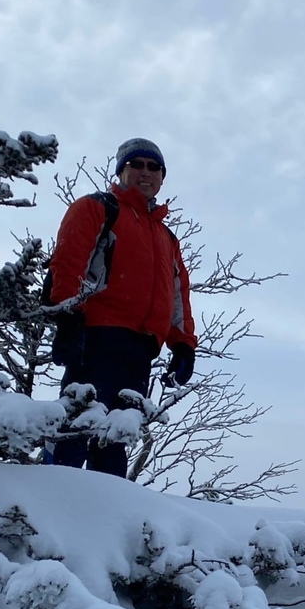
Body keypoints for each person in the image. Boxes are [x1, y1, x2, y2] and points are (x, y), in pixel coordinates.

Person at [47, 137, 197, 477]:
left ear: (162, 176)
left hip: (141, 350)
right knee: (77, 427)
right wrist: (68, 317)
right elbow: (69, 262)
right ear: (121, 170)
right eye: (136, 164)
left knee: (117, 438)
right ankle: (50, 501)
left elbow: (178, 295)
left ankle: (107, 515)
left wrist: (184, 345)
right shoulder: (98, 208)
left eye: (153, 166)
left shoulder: (167, 238)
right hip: (97, 336)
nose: (145, 172)